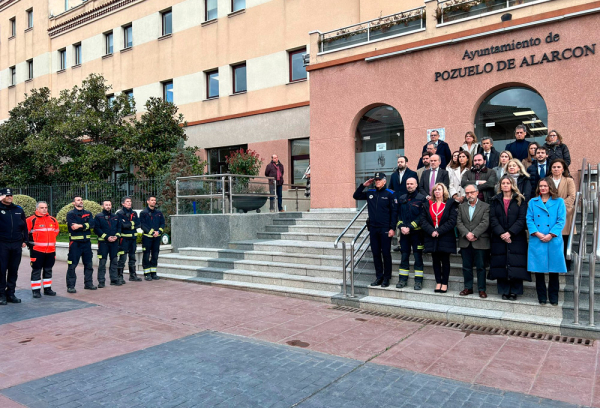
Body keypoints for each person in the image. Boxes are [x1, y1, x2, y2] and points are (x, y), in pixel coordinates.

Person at [488, 176, 530, 300]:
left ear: (512, 185)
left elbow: (522, 219)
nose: (505, 185)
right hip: (499, 237)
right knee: (501, 263)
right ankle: (504, 290)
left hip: (516, 237)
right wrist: (501, 233)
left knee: (516, 263)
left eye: (508, 183)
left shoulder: (520, 199)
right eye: (503, 183)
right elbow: (493, 218)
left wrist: (510, 233)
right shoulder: (495, 200)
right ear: (500, 185)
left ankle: (515, 291)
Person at [527, 179, 567, 305]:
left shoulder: (559, 201)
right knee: (539, 270)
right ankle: (542, 297)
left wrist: (551, 234)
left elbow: (561, 220)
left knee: (554, 270)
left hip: (553, 239)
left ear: (550, 187)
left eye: (545, 186)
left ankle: (554, 297)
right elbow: (529, 219)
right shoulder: (533, 202)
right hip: (537, 239)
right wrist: (538, 233)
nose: (543, 188)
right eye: (540, 186)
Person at [353, 172, 397, 287]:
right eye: (376, 180)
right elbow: (356, 196)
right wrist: (364, 185)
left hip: (385, 229)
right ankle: (379, 277)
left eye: (379, 180)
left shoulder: (390, 194)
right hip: (373, 228)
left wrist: (393, 228)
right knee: (376, 253)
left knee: (386, 253)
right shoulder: (370, 193)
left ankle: (387, 278)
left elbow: (394, 213)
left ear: (384, 181)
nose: (377, 181)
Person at [420, 183, 457, 293]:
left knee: (445, 261)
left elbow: (452, 221)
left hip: (445, 236)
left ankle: (444, 283)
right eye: (435, 190)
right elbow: (423, 220)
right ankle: (438, 282)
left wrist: (438, 231)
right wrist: (432, 231)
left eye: (439, 189)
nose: (437, 191)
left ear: (443, 191)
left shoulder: (450, 204)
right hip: (432, 237)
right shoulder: (428, 204)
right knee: (435, 260)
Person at [457, 184, 490, 298]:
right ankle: (468, 288)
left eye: (471, 192)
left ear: (477, 192)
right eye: (466, 193)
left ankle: (481, 289)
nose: (469, 195)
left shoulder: (485, 206)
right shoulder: (461, 207)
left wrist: (474, 233)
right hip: (465, 241)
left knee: (481, 267)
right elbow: (459, 222)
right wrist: (467, 234)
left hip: (480, 241)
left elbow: (485, 222)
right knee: (466, 266)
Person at [395, 177, 426, 290]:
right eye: (408, 184)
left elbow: (422, 216)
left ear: (416, 185)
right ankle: (402, 280)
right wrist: (401, 226)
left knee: (418, 257)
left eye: (411, 184)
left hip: (417, 234)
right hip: (404, 234)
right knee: (404, 256)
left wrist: (410, 226)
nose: (409, 186)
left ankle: (418, 281)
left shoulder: (422, 199)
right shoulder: (402, 198)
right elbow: (397, 214)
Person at [26, 201, 59, 298]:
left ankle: (47, 289)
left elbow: (56, 231)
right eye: (42, 207)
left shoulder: (53, 220)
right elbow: (25, 233)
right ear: (37, 209)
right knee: (36, 270)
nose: (44, 209)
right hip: (37, 250)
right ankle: (36, 291)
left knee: (48, 269)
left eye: (46, 207)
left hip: (51, 250)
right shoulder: (31, 220)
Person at [0, 188, 27, 305]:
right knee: (1, 270)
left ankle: (11, 293)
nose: (9, 197)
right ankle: (1, 295)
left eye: (10, 195)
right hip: (2, 244)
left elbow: (24, 226)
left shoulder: (18, 210)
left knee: (13, 270)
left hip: (16, 244)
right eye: (6, 195)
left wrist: (25, 239)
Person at [550, 159, 576, 271]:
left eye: (558, 167)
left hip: (565, 213)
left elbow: (572, 197)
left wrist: (558, 206)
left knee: (565, 239)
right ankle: (554, 264)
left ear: (563, 169)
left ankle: (566, 263)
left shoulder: (569, 180)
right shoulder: (546, 180)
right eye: (554, 167)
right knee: (553, 239)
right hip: (549, 214)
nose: (556, 169)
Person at [66, 196, 96, 293]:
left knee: (89, 265)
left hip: (86, 243)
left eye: (81, 200)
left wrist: (80, 225)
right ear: (73, 203)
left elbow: (92, 224)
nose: (81, 201)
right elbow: (73, 227)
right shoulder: (70, 214)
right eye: (78, 200)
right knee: (72, 265)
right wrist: (85, 225)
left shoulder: (88, 213)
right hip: (75, 244)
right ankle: (71, 286)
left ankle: (88, 284)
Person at [94, 199, 121, 287]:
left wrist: (116, 236)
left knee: (114, 261)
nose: (108, 206)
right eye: (106, 205)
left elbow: (119, 228)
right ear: (102, 206)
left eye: (109, 205)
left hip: (114, 243)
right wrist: (106, 237)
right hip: (103, 244)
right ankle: (101, 281)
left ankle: (114, 279)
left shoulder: (115, 216)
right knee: (102, 262)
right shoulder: (98, 216)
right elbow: (96, 229)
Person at [116, 196, 142, 282]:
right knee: (122, 258)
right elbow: (122, 225)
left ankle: (133, 275)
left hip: (133, 239)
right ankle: (120, 276)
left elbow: (138, 224)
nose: (129, 203)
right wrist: (132, 224)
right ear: (123, 203)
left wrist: (129, 224)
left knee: (132, 257)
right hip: (124, 240)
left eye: (130, 201)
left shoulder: (134, 213)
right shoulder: (119, 214)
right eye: (127, 201)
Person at [140, 196, 165, 281]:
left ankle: (153, 273)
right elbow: (142, 225)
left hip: (156, 238)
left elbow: (162, 224)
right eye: (152, 200)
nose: (154, 202)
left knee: (155, 255)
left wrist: (159, 232)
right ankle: (147, 274)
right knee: (146, 255)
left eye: (154, 200)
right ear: (148, 201)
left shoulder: (158, 213)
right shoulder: (143, 213)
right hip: (147, 238)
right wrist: (152, 232)